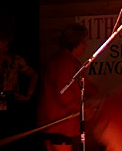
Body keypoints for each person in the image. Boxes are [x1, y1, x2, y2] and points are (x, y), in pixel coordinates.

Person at [37, 23, 99, 151]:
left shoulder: (68, 61)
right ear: (75, 42)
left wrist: (100, 95)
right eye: (84, 42)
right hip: (59, 123)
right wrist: (82, 108)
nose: (85, 46)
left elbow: (86, 86)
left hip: (55, 122)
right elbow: (64, 94)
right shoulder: (64, 63)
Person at [0, 29, 39, 149]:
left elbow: (34, 74)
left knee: (15, 139)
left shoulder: (14, 59)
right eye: (2, 40)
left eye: (6, 40)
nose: (6, 43)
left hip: (12, 101)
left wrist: (28, 94)